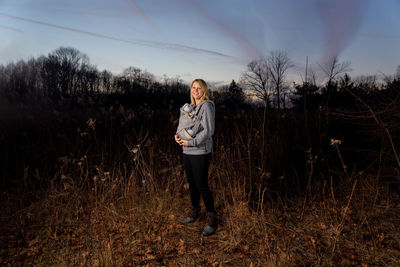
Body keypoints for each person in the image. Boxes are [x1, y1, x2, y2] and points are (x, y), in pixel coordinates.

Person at [174, 78, 217, 236]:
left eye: (199, 88)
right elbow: (184, 127)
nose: (195, 90)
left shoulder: (207, 106)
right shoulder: (191, 107)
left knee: (202, 185)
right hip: (187, 152)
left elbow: (208, 131)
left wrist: (190, 143)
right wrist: (177, 138)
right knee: (192, 184)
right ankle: (194, 213)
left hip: (200, 152)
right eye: (193, 87)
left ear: (204, 90)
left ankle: (212, 220)